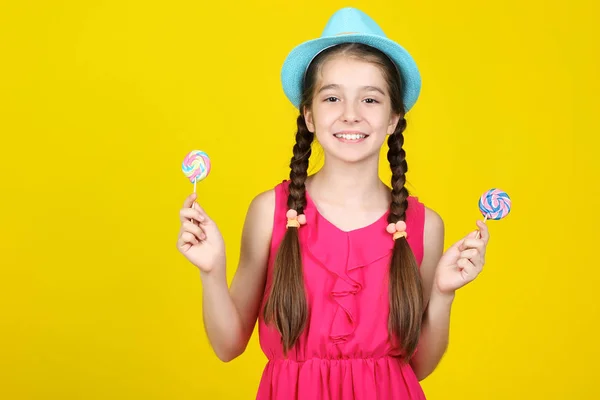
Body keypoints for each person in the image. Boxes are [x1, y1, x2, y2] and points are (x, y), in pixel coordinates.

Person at [176, 7, 489, 400]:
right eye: (332, 98)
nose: (351, 115)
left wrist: (444, 294)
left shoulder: (423, 224)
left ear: (394, 118)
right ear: (308, 114)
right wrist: (211, 271)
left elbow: (419, 366)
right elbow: (227, 346)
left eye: (371, 100)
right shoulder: (269, 212)